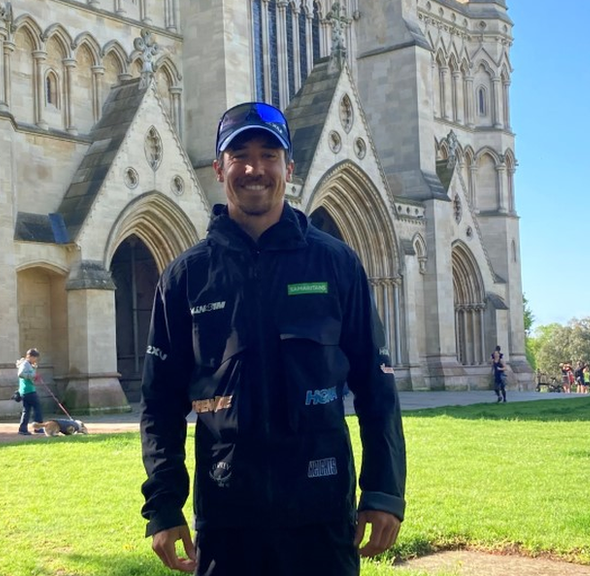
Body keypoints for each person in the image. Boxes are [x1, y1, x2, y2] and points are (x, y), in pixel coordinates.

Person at [138, 102, 407, 575]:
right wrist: (163, 504)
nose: (254, 168)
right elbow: (159, 401)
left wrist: (383, 489)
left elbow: (376, 385)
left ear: (289, 167)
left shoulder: (336, 263)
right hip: (227, 517)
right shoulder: (186, 276)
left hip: (321, 514)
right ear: (219, 168)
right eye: (239, 154)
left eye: (269, 154)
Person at [16, 348, 44, 435]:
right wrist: (32, 376)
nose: (36, 360)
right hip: (28, 390)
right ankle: (38, 428)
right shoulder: (25, 364)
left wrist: (34, 376)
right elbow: (20, 374)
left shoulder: (28, 364)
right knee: (37, 408)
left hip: (26, 390)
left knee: (26, 410)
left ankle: (23, 429)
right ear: (30, 356)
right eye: (35, 358)